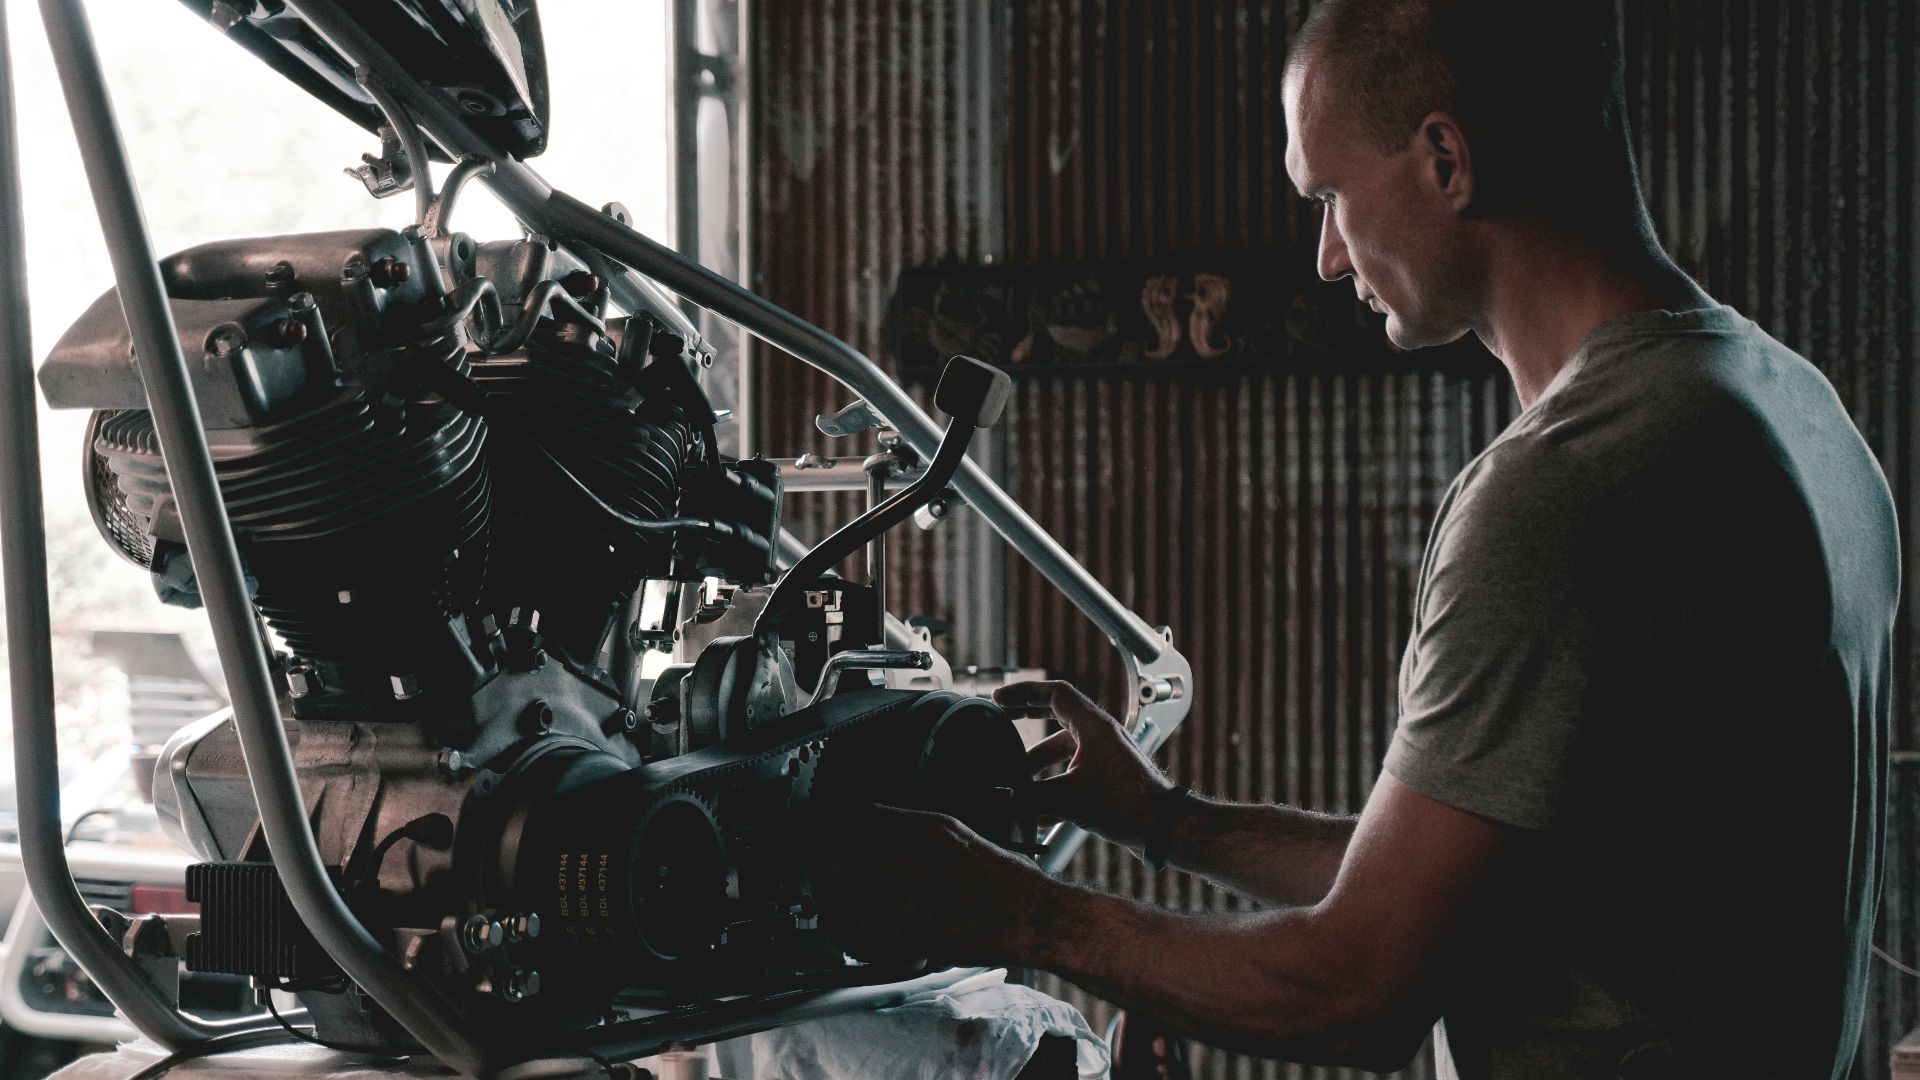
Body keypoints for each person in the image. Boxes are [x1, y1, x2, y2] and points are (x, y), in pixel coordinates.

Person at [828, 1, 1899, 1076]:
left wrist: (1008, 913)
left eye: (1331, 197)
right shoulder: (1793, 412)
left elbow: (1353, 991)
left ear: (1446, 160)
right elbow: (1470, 888)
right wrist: (1159, 818)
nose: (1330, 257)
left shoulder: (1570, 488)